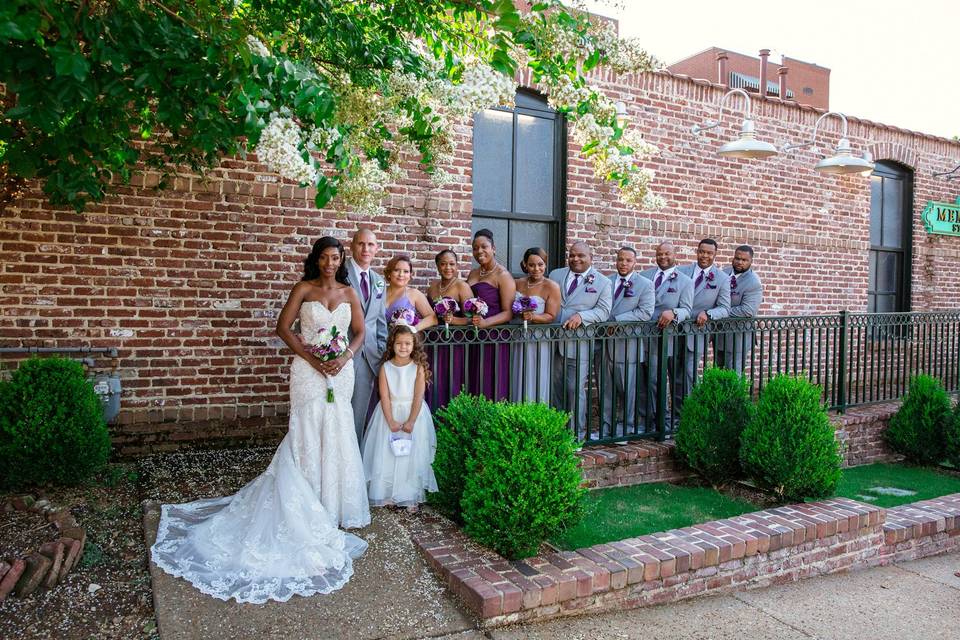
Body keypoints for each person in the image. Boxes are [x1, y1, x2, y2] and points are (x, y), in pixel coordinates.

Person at [151, 237, 370, 604]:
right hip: (307, 371)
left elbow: (359, 333)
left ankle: (329, 506)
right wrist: (314, 358)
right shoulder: (303, 288)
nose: (330, 263)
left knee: (337, 431)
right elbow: (284, 329)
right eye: (324, 257)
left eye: (336, 257)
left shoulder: (350, 292)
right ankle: (303, 503)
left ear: (341, 260)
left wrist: (343, 357)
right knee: (305, 429)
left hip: (340, 372)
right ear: (315, 260)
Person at [361, 324, 438, 512]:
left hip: (414, 414)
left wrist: (411, 421)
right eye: (399, 343)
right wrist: (390, 421)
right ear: (392, 345)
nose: (403, 347)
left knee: (412, 455)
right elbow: (384, 396)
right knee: (387, 453)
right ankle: (387, 493)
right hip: (389, 413)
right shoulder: (385, 368)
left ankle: (410, 494)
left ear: (414, 346)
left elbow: (419, 396)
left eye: (407, 343)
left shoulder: (418, 367)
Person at [549, 241, 612, 439]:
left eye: (581, 256)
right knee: (555, 388)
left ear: (590, 258)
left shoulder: (603, 282)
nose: (575, 259)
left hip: (580, 344)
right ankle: (557, 430)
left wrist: (582, 317)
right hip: (553, 341)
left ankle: (576, 434)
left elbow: (604, 311)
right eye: (572, 255)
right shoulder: (555, 275)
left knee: (575, 389)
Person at [639, 242, 693, 431]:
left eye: (667, 254)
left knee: (658, 379)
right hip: (642, 336)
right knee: (644, 380)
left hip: (665, 338)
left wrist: (674, 312)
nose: (663, 257)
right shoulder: (644, 276)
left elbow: (687, 309)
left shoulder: (685, 281)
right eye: (659, 254)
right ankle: (648, 419)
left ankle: (663, 420)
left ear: (674, 254)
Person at [601, 247, 655, 437]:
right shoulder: (606, 281)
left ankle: (626, 428)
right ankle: (605, 428)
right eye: (620, 260)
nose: (623, 264)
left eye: (628, 260)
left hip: (628, 345)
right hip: (604, 345)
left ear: (635, 262)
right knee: (606, 389)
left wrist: (617, 321)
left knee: (628, 390)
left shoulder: (645, 284)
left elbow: (645, 312)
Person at [346, 228, 388, 442]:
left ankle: (353, 462)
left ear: (376, 249)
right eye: (361, 244)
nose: (366, 249)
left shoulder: (379, 281)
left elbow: (380, 323)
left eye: (370, 245)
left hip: (369, 357)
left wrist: (381, 351)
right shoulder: (340, 273)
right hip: (343, 354)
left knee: (359, 414)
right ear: (352, 246)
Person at [465, 229, 516, 400]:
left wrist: (486, 323)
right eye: (475, 248)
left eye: (484, 247)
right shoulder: (473, 273)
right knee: (473, 377)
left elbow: (508, 313)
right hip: (473, 335)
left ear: (493, 248)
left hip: (494, 335)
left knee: (489, 379)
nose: (479, 251)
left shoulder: (503, 275)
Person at [679, 238, 731, 398]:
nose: (704, 256)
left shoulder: (722, 278)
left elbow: (725, 308)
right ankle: (674, 413)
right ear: (697, 251)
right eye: (702, 251)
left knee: (689, 372)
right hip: (673, 328)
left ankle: (690, 409)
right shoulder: (681, 271)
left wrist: (709, 313)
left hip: (697, 332)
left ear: (715, 254)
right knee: (673, 373)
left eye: (709, 253)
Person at [510, 247, 561, 403]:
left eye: (540, 264)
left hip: (538, 338)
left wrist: (533, 316)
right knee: (518, 373)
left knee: (536, 374)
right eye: (531, 265)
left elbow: (551, 316)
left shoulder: (552, 286)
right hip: (518, 336)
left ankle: (536, 412)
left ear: (545, 264)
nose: (536, 269)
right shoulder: (516, 283)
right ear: (525, 265)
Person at [425, 249, 472, 407]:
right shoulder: (432, 288)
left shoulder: (462, 287)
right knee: (434, 377)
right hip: (434, 342)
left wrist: (453, 321)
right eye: (443, 264)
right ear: (437, 267)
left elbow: (473, 318)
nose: (448, 268)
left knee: (451, 377)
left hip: (454, 342)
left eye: (452, 264)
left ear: (457, 266)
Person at [716, 245, 763, 373]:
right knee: (719, 373)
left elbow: (748, 310)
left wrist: (720, 312)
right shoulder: (723, 273)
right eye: (737, 258)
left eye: (744, 260)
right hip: (719, 334)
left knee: (734, 376)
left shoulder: (754, 282)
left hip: (739, 337)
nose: (739, 262)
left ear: (751, 261)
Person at [383, 255, 438, 330]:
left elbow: (433, 318)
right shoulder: (380, 293)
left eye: (406, 271)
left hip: (403, 340)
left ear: (410, 275)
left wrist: (413, 329)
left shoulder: (414, 294)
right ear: (389, 273)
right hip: (379, 339)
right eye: (396, 270)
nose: (401, 275)